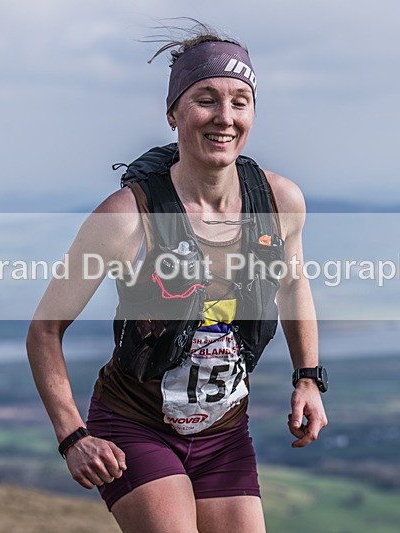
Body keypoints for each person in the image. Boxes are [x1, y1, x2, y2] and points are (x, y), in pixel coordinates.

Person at [27, 24, 327, 533]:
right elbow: (45, 330)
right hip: (134, 426)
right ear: (173, 113)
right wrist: (73, 436)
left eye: (240, 101)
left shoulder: (280, 203)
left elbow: (293, 284)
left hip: (226, 432)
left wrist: (308, 377)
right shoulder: (126, 219)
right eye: (205, 99)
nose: (225, 117)